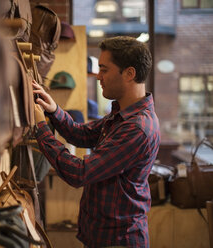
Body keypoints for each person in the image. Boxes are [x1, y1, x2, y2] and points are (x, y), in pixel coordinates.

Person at [33, 36, 160, 248]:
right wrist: (53, 110)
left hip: (118, 241)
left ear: (129, 73)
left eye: (104, 69)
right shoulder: (122, 114)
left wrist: (41, 129)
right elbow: (81, 134)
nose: (98, 76)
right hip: (102, 238)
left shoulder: (136, 128)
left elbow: (80, 173)